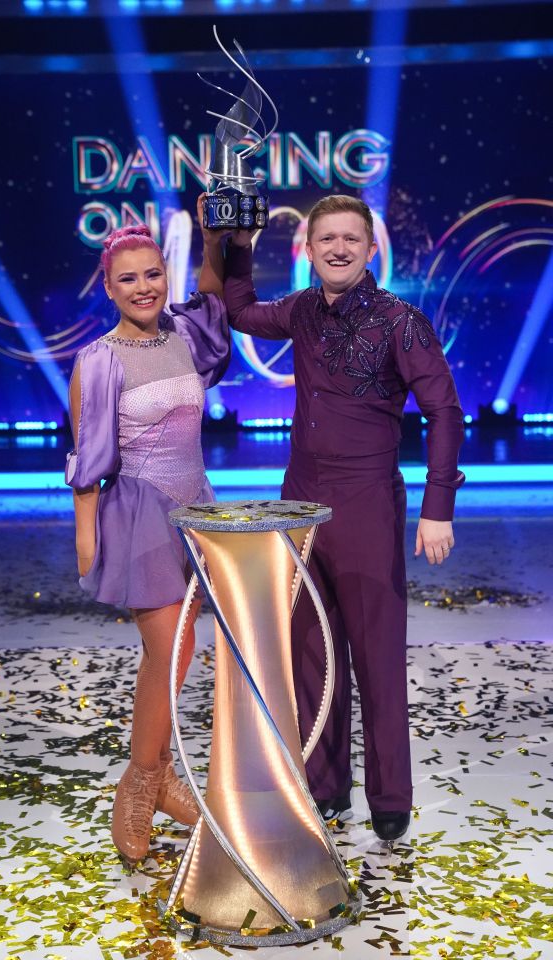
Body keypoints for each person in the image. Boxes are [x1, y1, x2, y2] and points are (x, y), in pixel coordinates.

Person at [219, 194, 465, 842]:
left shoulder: (399, 322)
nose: (338, 248)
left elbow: (445, 412)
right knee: (310, 658)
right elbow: (240, 311)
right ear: (308, 248)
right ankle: (325, 791)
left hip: (366, 508)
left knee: (377, 660)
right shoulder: (301, 310)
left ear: (369, 247)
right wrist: (238, 245)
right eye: (326, 238)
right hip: (300, 505)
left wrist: (437, 508)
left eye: (350, 238)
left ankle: (390, 799)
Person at [66, 211, 229, 864]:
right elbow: (87, 461)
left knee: (177, 655)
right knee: (170, 652)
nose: (143, 288)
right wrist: (86, 543)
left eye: (153, 275)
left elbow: (215, 300)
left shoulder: (186, 334)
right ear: (108, 287)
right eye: (128, 279)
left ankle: (158, 777)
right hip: (138, 518)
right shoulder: (97, 361)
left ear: (167, 276)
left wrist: (216, 241)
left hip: (195, 510)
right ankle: (138, 785)